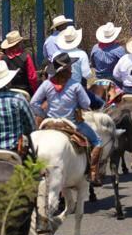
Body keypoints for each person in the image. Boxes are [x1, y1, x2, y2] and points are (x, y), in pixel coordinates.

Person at [30, 54, 104, 184]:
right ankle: (92, 172)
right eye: (70, 67)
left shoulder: (46, 84)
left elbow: (34, 103)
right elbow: (86, 104)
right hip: (72, 123)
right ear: (65, 70)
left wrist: (43, 115)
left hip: (50, 123)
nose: (71, 70)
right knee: (97, 141)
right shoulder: (75, 86)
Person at [54, 25, 105, 109]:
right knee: (102, 104)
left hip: (58, 89)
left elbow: (51, 75)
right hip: (76, 89)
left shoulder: (56, 54)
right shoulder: (81, 54)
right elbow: (87, 75)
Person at [0, 31, 39, 96]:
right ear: (19, 43)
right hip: (25, 91)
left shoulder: (1, 58)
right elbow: (32, 78)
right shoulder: (26, 57)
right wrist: (35, 91)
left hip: (7, 92)